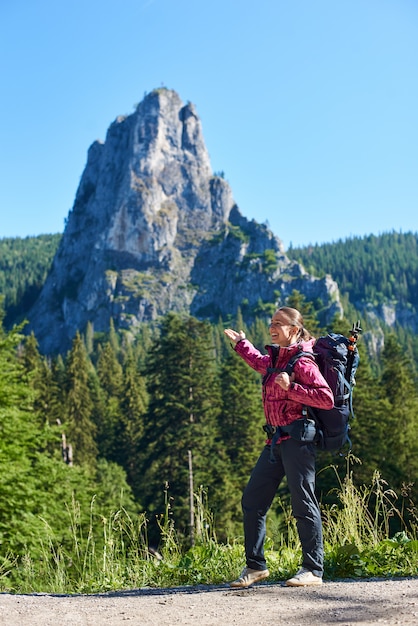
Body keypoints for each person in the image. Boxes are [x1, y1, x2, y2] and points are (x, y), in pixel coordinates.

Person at [224, 306, 334, 588]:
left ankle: (313, 569)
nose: (272, 327)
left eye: (279, 324)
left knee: (303, 503)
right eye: (271, 322)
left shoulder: (303, 362)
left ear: (294, 330)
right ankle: (255, 566)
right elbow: (260, 363)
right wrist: (241, 344)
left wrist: (291, 389)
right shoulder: (276, 359)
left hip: (298, 440)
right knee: (253, 500)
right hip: (274, 440)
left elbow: (326, 398)